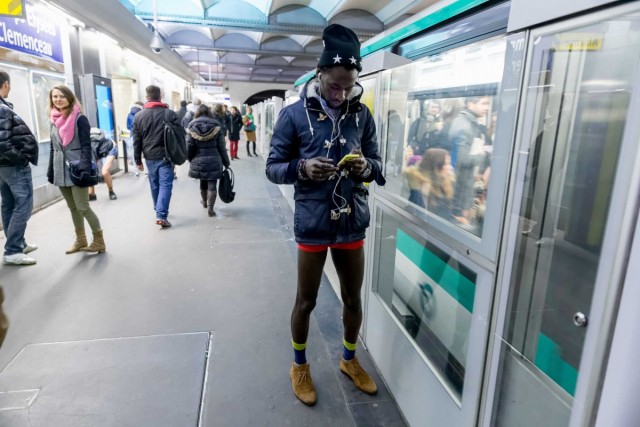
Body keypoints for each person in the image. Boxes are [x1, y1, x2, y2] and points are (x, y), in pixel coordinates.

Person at [265, 23, 385, 406]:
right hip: (314, 223)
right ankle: (299, 364)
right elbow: (272, 167)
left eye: (348, 85)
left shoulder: (362, 114)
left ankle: (349, 359)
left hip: (351, 219)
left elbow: (378, 165)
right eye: (335, 84)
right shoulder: (293, 115)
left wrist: (364, 168)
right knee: (306, 301)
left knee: (353, 299)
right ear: (320, 75)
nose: (341, 92)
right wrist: (302, 169)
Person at [47, 85, 106, 254]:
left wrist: (85, 168)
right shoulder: (53, 118)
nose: (58, 99)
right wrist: (51, 169)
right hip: (60, 169)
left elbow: (87, 146)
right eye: (55, 96)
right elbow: (53, 147)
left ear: (69, 97)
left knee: (83, 207)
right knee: (72, 207)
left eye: (61, 96)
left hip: (77, 168)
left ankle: (99, 240)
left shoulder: (80, 118)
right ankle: (81, 240)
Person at [0, 70, 39, 265]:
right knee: (23, 205)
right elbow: (3, 142)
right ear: (6, 84)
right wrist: (22, 158)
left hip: (2, 167)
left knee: (8, 204)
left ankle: (17, 243)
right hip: (12, 166)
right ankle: (13, 250)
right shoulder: (2, 109)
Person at [132, 85, 181, 228]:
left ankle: (158, 209)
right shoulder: (169, 114)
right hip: (167, 156)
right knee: (166, 184)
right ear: (160, 96)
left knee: (154, 184)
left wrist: (137, 159)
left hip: (149, 157)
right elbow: (179, 136)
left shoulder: (138, 116)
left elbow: (136, 140)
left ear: (147, 97)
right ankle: (161, 214)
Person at [448, 96, 490, 225]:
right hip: (461, 187)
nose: (487, 108)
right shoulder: (466, 126)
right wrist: (484, 154)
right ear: (471, 104)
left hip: (462, 183)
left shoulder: (468, 122)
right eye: (484, 103)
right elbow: (462, 158)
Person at [186, 104, 230, 217]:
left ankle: (204, 202)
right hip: (214, 159)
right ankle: (210, 208)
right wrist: (226, 161)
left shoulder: (192, 125)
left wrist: (190, 158)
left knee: (203, 181)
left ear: (197, 113)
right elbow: (222, 147)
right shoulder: (216, 125)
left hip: (198, 159)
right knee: (212, 183)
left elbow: (189, 146)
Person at [88, 128, 117, 201]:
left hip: (110, 148)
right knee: (88, 169)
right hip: (99, 151)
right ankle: (92, 194)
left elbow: (92, 164)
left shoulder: (89, 142)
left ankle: (111, 191)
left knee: (104, 171)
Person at [126, 102, 143, 177]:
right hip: (143, 135)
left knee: (134, 152)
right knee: (145, 151)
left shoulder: (129, 114)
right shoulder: (142, 113)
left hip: (133, 135)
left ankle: (136, 171)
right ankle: (147, 171)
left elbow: (128, 126)